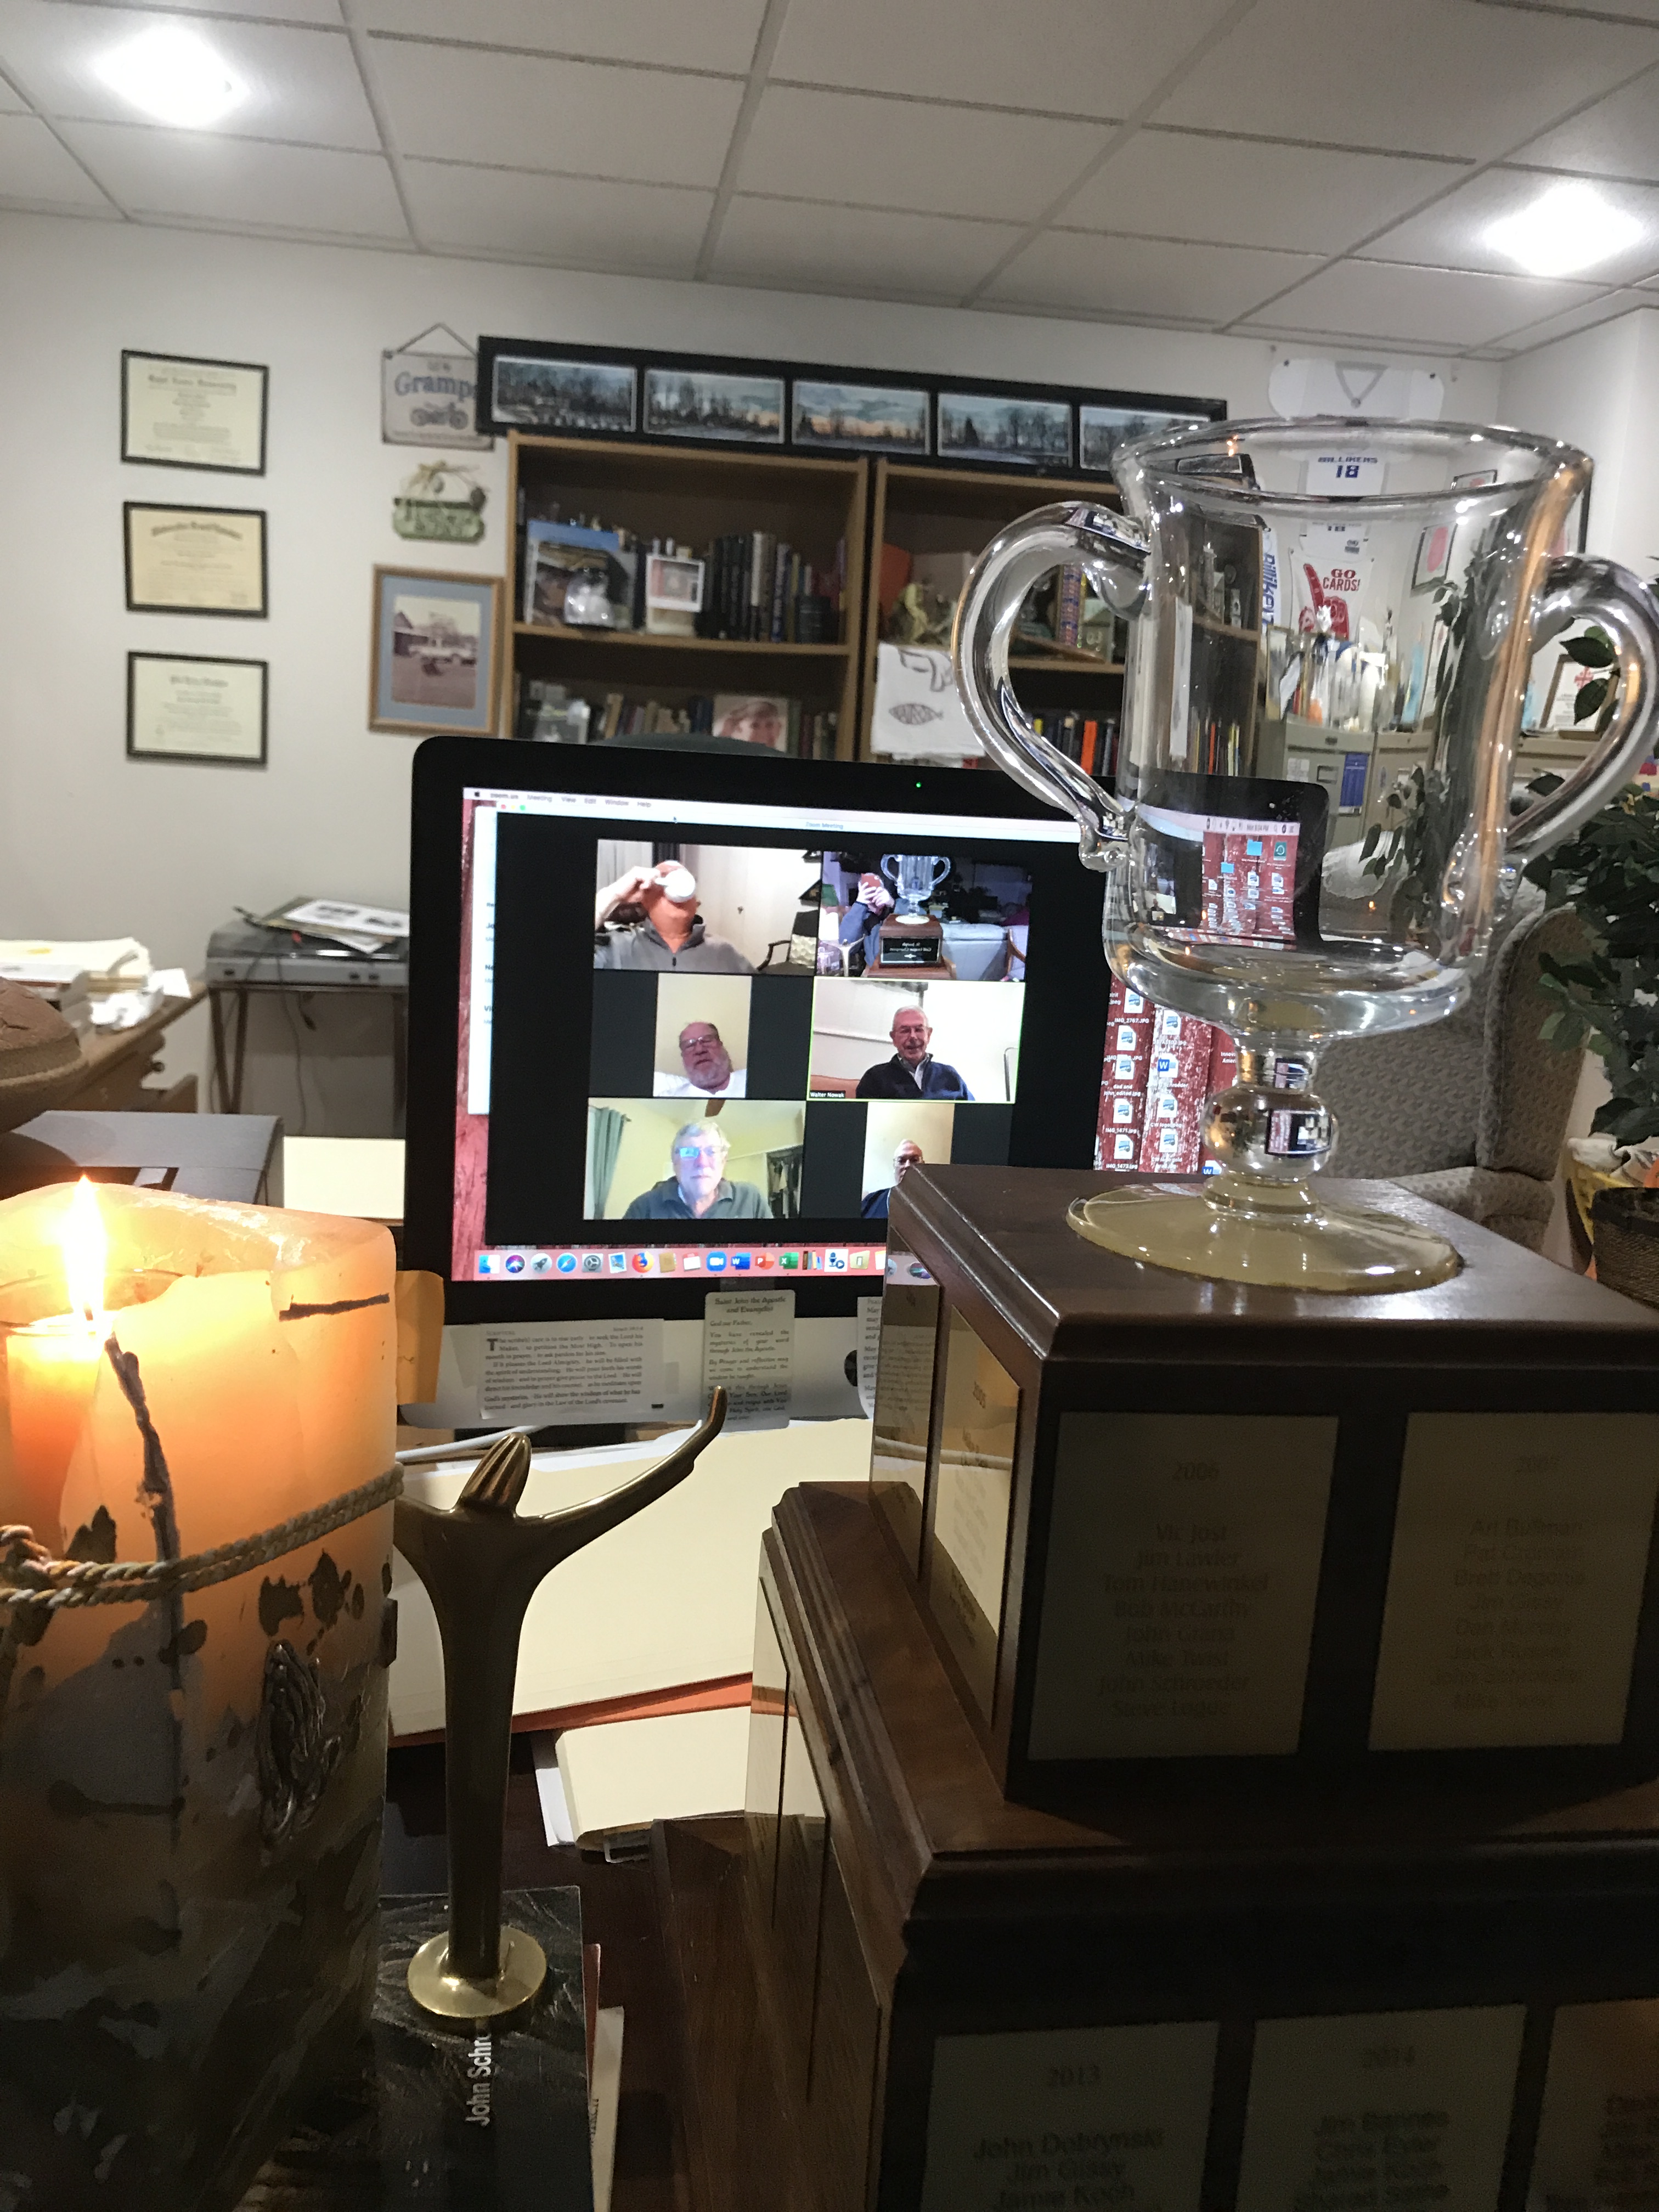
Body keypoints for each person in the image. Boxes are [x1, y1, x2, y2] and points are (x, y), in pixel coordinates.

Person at [594, 859, 753, 973]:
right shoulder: (615, 948)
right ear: (644, 899)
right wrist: (613, 895)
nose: (678, 884)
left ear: (696, 902)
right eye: (664, 878)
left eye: (685, 879)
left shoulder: (726, 954)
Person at [622, 1120, 769, 1220]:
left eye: (712, 1152)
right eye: (689, 1153)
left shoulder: (751, 1199)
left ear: (723, 1161)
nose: (702, 1163)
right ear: (675, 1160)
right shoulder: (643, 1208)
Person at [855, 1006, 974, 1099]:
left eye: (919, 1030)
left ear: (929, 1035)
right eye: (905, 1031)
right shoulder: (875, 1078)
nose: (913, 1037)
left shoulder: (950, 1075)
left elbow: (972, 1114)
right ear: (894, 1038)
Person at [654, 1020, 747, 1098]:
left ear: (720, 1045)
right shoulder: (668, 1099)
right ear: (683, 1056)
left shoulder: (751, 1081)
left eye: (707, 1041)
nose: (699, 1050)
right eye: (690, 1045)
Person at [838, 870, 893, 974]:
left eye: (876, 890)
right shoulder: (861, 917)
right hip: (874, 973)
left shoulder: (896, 908)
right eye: (867, 891)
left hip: (901, 969)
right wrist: (860, 904)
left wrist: (892, 904)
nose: (872, 896)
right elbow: (846, 944)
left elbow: (918, 928)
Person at [861, 1138, 924, 1220]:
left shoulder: (938, 1202)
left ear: (924, 1166)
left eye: (914, 1160)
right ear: (894, 1168)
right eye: (901, 1161)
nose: (908, 1165)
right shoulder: (871, 1202)